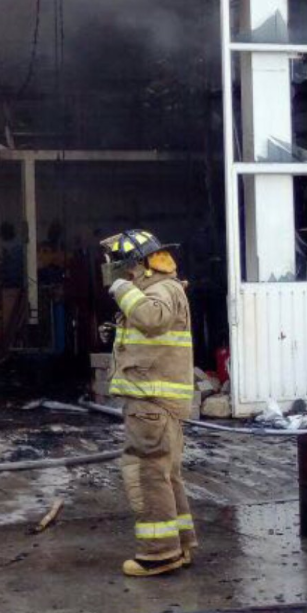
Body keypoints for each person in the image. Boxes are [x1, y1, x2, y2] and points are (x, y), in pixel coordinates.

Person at [100, 229, 197, 577]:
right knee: (166, 474)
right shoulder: (162, 288)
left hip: (151, 403)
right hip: (155, 404)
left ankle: (158, 553)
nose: (111, 271)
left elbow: (152, 319)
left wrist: (123, 290)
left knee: (148, 474)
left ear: (136, 264)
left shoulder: (159, 290)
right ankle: (181, 544)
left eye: (117, 265)